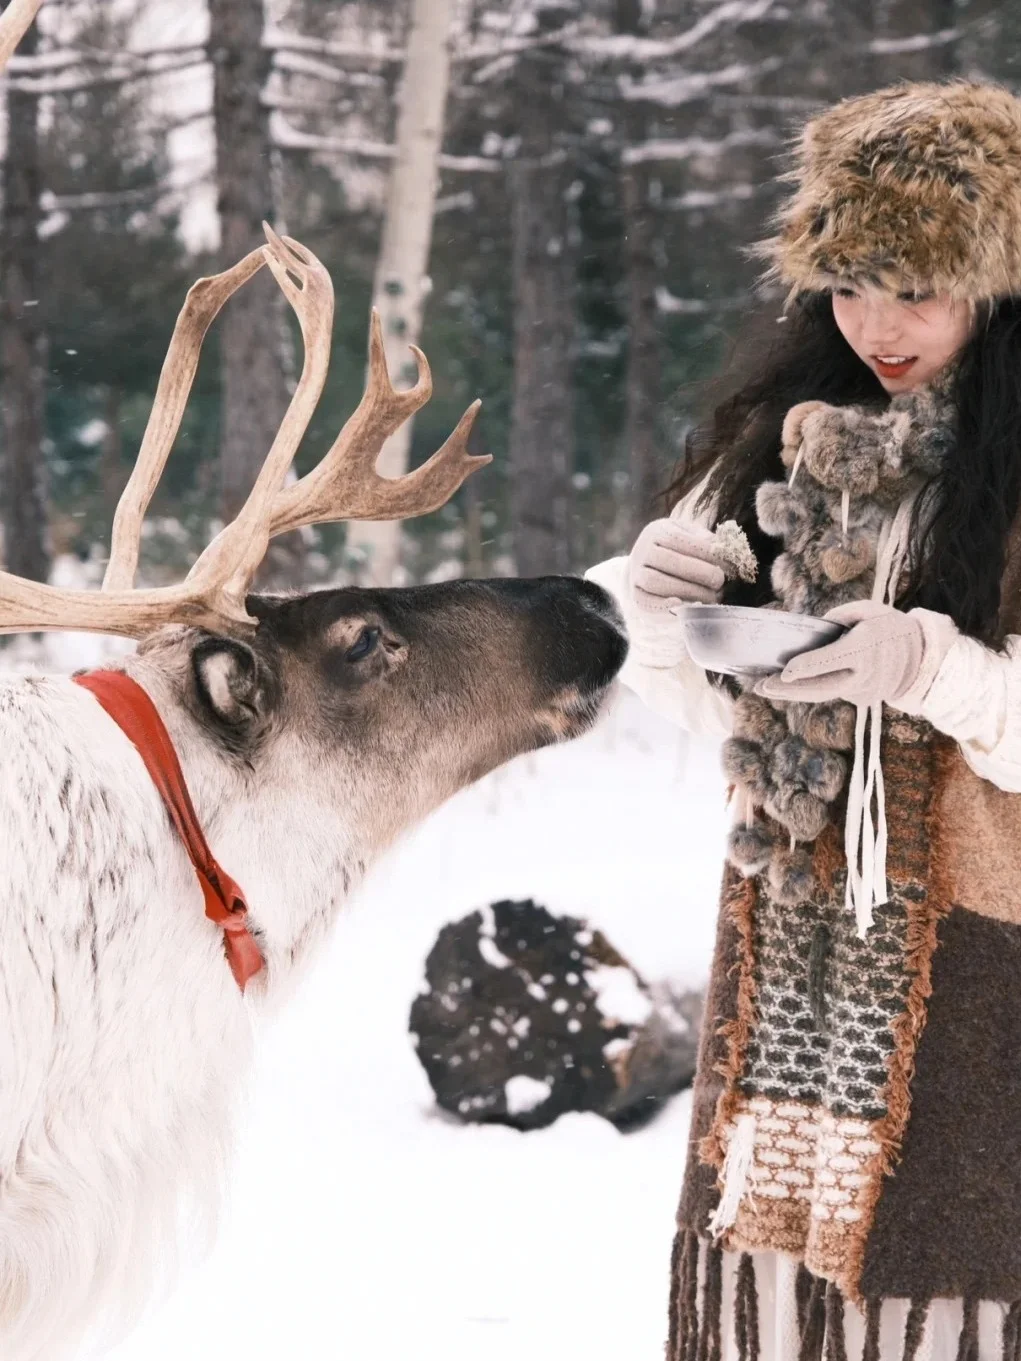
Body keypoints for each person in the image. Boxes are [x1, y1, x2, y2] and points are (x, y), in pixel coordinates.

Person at [587, 80, 1021, 1361]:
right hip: (790, 929)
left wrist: (936, 669)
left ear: (995, 287)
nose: (875, 326)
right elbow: (703, 696)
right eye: (848, 284)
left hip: (979, 939)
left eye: (916, 290)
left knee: (945, 1285)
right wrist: (659, 608)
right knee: (775, 1275)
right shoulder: (785, 444)